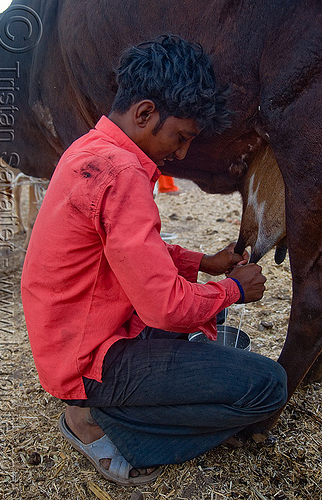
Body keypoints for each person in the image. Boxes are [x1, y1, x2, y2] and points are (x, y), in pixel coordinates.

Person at [21, 35, 287, 486]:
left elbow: (129, 253)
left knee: (225, 342)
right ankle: (103, 426)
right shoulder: (123, 174)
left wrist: (203, 262)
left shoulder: (91, 149)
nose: (181, 154)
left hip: (67, 339)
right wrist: (235, 290)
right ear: (145, 113)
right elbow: (165, 307)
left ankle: (115, 401)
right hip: (89, 358)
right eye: (181, 138)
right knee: (268, 386)